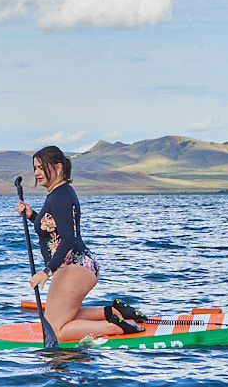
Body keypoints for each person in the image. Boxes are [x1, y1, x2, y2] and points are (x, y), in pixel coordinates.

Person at [16, 145, 148, 341]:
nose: (37, 173)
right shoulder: (59, 193)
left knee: (55, 331)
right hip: (79, 265)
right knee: (63, 316)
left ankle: (114, 327)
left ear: (58, 167)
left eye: (42, 167)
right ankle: (112, 312)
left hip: (74, 267)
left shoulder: (60, 196)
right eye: (35, 168)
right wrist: (32, 216)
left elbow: (68, 238)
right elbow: (55, 229)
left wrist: (46, 272)